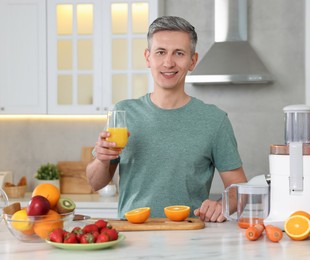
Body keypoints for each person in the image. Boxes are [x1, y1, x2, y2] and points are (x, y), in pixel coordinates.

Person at [86, 16, 247, 222]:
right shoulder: (124, 112)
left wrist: (223, 204)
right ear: (148, 57)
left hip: (190, 239)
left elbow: (239, 189)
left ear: (192, 61)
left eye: (179, 53)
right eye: (160, 52)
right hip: (134, 237)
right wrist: (101, 159)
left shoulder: (215, 120)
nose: (168, 62)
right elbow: (95, 183)